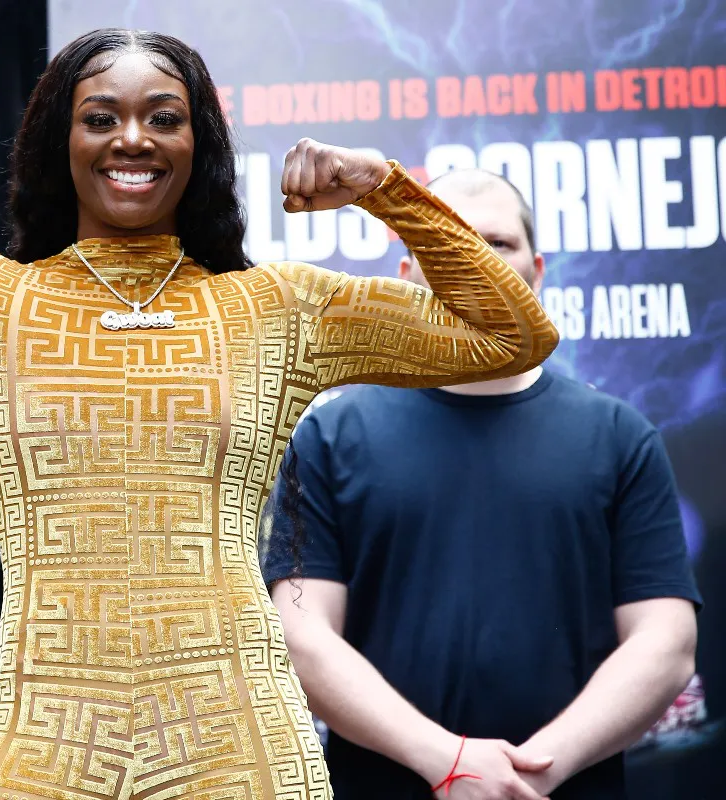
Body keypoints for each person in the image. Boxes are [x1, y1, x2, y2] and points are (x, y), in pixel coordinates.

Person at [0, 27, 558, 800]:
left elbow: (510, 336)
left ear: (199, 142)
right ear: (57, 142)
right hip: (39, 735)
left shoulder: (276, 307)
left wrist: (386, 188)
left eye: (164, 118)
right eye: (100, 117)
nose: (132, 138)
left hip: (237, 737)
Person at [263, 169, 701, 800]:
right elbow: (302, 637)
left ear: (538, 270)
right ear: (410, 275)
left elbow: (666, 644)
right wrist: (445, 761)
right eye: (452, 241)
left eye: (496, 243)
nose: (475, 262)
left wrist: (531, 773)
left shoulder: (620, 436)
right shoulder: (332, 436)